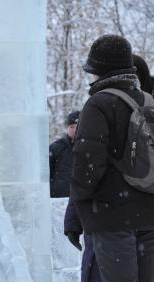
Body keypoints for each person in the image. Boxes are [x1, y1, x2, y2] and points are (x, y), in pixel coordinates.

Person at [70, 34, 154, 281]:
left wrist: (80, 203)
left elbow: (87, 162)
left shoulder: (99, 104)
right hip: (149, 214)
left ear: (99, 70)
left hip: (112, 216)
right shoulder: (148, 102)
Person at [49, 110, 80, 198]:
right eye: (71, 127)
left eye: (77, 126)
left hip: (81, 200)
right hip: (58, 198)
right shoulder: (56, 147)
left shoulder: (91, 148)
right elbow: (44, 174)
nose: (74, 130)